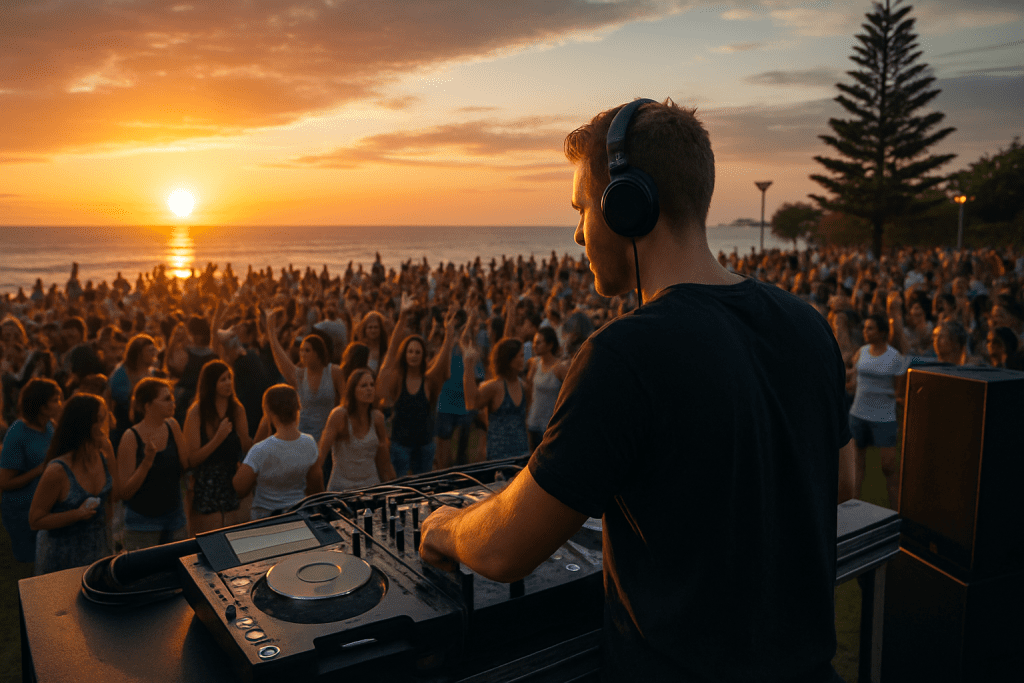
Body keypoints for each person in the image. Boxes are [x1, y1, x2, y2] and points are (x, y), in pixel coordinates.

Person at [419, 99, 851, 683]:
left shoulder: (623, 354)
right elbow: (844, 480)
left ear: (629, 205)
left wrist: (445, 524)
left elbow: (503, 552)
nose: (576, 233)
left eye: (581, 209)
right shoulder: (806, 324)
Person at [29, 393, 117, 575]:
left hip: (98, 555)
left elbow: (115, 497)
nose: (105, 425)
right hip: (62, 560)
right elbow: (35, 520)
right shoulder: (58, 470)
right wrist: (76, 514)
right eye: (99, 420)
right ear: (83, 424)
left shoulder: (103, 456)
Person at [376, 299, 459, 475]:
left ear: (423, 356)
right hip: (400, 445)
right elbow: (390, 356)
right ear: (404, 354)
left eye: (418, 352)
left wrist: (449, 334)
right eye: (410, 351)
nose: (413, 355)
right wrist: (402, 318)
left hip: (425, 445)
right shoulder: (397, 380)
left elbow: (443, 359)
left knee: (423, 489)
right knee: (400, 488)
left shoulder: (428, 381)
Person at [116, 378, 189, 550]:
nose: (173, 401)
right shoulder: (131, 437)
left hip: (175, 519)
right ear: (147, 406)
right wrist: (147, 461)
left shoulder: (173, 426)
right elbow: (125, 492)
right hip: (142, 525)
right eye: (166, 399)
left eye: (171, 397)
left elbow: (186, 465)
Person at [183, 360, 252, 534]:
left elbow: (246, 448)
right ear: (211, 383)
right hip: (206, 483)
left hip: (232, 480)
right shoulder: (197, 411)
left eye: (229, 378)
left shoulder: (237, 410)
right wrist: (218, 438)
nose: (228, 383)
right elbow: (192, 459)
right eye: (222, 379)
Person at [233, 385, 321, 519]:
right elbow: (316, 486)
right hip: (298, 516)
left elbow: (239, 488)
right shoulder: (309, 443)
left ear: (267, 411)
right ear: (298, 408)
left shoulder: (261, 449)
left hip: (265, 519)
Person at [0, 379, 62, 564]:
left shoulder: (50, 426)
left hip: (46, 506)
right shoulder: (18, 433)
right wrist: (39, 470)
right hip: (22, 512)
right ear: (42, 406)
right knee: (32, 568)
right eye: (55, 399)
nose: (60, 403)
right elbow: (4, 483)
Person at [846, 314, 905, 508]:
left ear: (881, 332)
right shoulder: (861, 352)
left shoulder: (895, 357)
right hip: (858, 414)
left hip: (884, 417)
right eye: (865, 328)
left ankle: (896, 513)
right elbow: (854, 382)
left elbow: (899, 390)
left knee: (888, 467)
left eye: (870, 328)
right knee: (857, 467)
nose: (865, 332)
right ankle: (854, 509)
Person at [263, 309, 343, 446]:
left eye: (307, 350)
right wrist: (271, 332)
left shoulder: (334, 372)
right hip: (302, 439)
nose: (303, 354)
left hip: (327, 439)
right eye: (301, 350)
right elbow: (281, 360)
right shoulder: (299, 375)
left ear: (318, 353)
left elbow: (345, 401)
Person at [319, 369, 395, 491]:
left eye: (372, 385)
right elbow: (321, 456)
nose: (369, 389)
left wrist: (393, 486)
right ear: (353, 390)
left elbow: (385, 462)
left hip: (370, 487)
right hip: (342, 489)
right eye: (364, 385)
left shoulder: (377, 418)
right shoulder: (339, 416)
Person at [462, 335, 530, 460]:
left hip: (522, 453)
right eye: (519, 356)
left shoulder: (524, 386)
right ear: (508, 358)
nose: (523, 359)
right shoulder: (495, 387)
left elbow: (524, 421)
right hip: (498, 455)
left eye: (522, 355)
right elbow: (471, 403)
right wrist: (468, 363)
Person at [108, 333, 158, 448]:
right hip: (124, 428)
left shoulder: (152, 372)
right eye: (149, 350)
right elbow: (119, 397)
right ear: (139, 354)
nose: (154, 353)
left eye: (154, 350)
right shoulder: (121, 373)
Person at [524, 327, 569, 452]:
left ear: (550, 345)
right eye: (534, 342)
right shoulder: (534, 364)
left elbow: (569, 393)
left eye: (539, 342)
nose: (534, 346)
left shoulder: (559, 368)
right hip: (533, 422)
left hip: (550, 426)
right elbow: (529, 392)